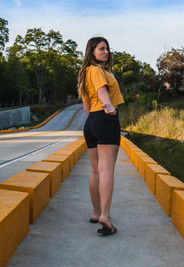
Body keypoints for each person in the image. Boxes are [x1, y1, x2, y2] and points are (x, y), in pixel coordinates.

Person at [78, 37, 124, 236]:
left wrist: (96, 118)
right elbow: (102, 91)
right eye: (101, 49)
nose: (106, 52)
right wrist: (108, 106)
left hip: (91, 122)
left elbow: (86, 106)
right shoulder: (97, 71)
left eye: (107, 48)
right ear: (92, 52)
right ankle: (105, 215)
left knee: (96, 171)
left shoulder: (84, 74)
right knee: (106, 170)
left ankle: (96, 212)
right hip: (105, 118)